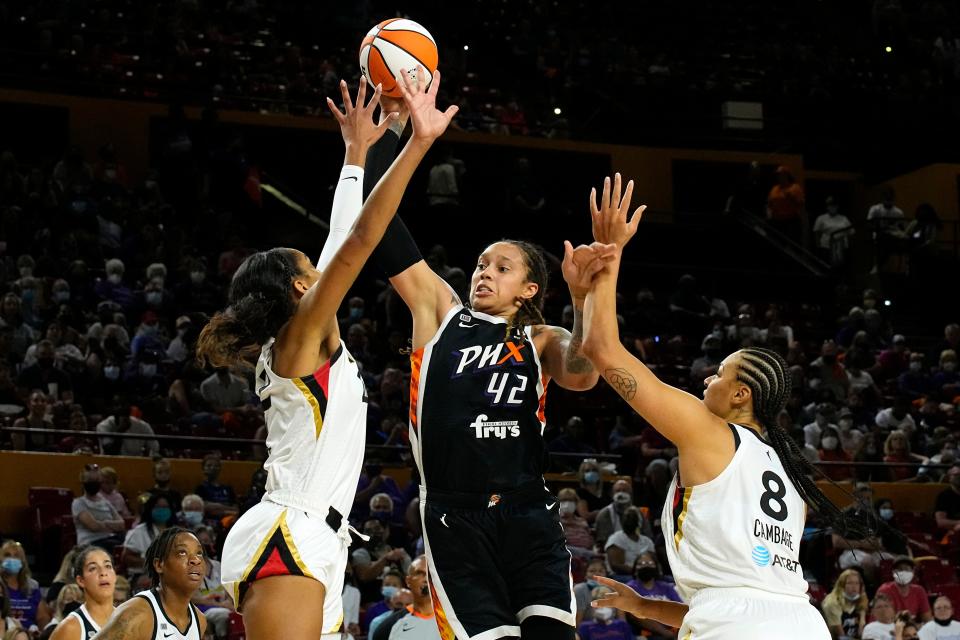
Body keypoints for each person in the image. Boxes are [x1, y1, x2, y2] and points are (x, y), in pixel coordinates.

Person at [195, 71, 454, 640]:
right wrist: (414, 146)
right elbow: (358, 241)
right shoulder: (298, 339)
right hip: (291, 525)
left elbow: (342, 239)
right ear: (296, 289)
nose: (322, 271)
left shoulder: (304, 337)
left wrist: (356, 155)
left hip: (321, 535)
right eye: (311, 271)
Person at [362, 87, 608, 640]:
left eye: (501, 267)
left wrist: (586, 295)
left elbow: (587, 373)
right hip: (455, 515)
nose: (483, 272)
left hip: (527, 511)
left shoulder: (543, 337)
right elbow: (377, 223)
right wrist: (398, 131)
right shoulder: (440, 312)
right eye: (480, 264)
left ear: (529, 288)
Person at [581, 174, 858, 639]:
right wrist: (646, 606)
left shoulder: (710, 431)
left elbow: (603, 351)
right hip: (802, 624)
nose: (709, 376)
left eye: (721, 372)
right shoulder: (791, 475)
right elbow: (740, 602)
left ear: (740, 394)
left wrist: (610, 255)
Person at [92, 528, 208, 639]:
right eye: (182, 552)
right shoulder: (137, 615)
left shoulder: (199, 620)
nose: (196, 560)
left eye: (199, 553)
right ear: (159, 565)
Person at [49, 546, 116, 640]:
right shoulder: (70, 628)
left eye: (108, 566)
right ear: (81, 581)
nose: (103, 572)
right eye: (93, 568)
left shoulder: (129, 620)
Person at [371, 556, 439, 640]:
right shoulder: (388, 628)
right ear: (408, 581)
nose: (426, 579)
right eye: (420, 573)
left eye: (431, 574)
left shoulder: (455, 621)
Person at [624, 552, 682, 640]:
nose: (646, 566)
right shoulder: (630, 587)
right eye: (641, 564)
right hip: (647, 632)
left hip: (673, 628)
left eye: (650, 563)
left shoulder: (666, 587)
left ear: (656, 568)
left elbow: (679, 607)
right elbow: (633, 615)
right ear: (635, 569)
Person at [121, 493, 175, 579]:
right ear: (150, 509)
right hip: (144, 576)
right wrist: (151, 564)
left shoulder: (177, 531)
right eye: (158, 507)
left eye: (165, 507)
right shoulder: (139, 532)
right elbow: (127, 558)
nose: (162, 510)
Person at [71, 464, 126, 548]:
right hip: (90, 544)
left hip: (110, 539)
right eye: (91, 480)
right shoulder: (78, 503)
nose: (94, 483)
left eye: (96, 480)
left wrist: (104, 523)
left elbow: (122, 524)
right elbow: (94, 526)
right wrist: (113, 526)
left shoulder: (105, 502)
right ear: (83, 483)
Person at [1, 540, 50, 629]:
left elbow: (42, 617)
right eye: (7, 555)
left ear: (22, 561)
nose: (12, 559)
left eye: (16, 556)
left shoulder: (32, 586)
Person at [876, 557, 932, 623]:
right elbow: (883, 620)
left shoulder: (919, 591)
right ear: (893, 572)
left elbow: (927, 619)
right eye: (900, 569)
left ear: (913, 572)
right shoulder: (884, 591)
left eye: (907, 569)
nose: (903, 572)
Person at [604, 507, 654, 578]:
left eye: (632, 517)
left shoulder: (647, 541)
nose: (629, 520)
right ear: (622, 521)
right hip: (622, 576)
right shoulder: (616, 538)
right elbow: (615, 565)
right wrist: (638, 572)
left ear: (638, 522)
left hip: (647, 576)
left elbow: (654, 562)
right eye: (627, 517)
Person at [820, 569, 867, 640]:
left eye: (857, 583)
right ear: (841, 585)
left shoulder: (861, 598)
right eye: (850, 583)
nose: (854, 586)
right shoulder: (832, 602)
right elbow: (841, 636)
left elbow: (861, 629)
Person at [935, 465, 960, 536]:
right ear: (949, 477)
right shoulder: (944, 496)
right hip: (950, 534)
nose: (959, 478)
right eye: (956, 475)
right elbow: (941, 522)